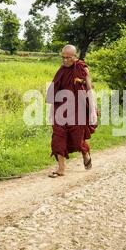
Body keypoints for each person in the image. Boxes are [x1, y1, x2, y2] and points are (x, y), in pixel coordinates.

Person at [46, 45, 98, 178]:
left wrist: (92, 109)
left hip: (78, 109)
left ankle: (85, 152)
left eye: (68, 58)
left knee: (76, 140)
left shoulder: (81, 67)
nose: (65, 61)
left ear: (75, 56)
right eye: (63, 57)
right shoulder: (61, 71)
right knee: (58, 137)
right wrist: (51, 110)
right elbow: (54, 90)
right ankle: (61, 169)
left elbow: (89, 87)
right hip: (61, 108)